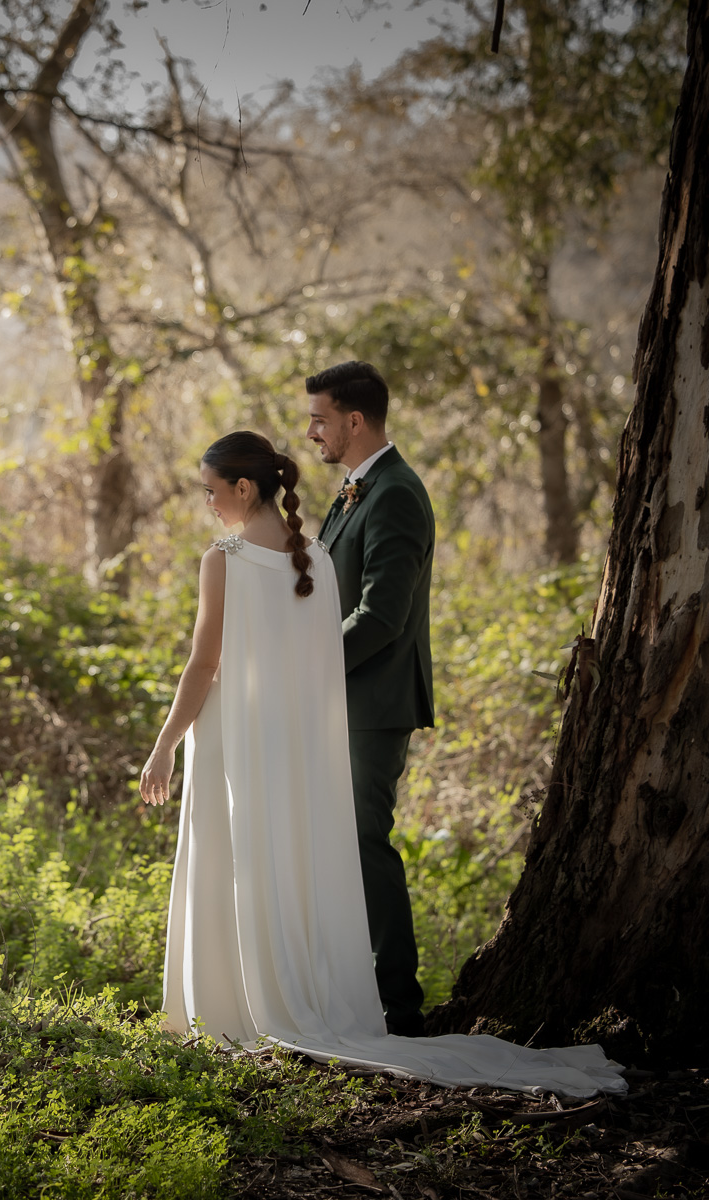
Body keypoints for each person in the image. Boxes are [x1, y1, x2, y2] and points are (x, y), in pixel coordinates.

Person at [141, 428, 623, 1097]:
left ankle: (231, 1011)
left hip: (233, 735)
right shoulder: (315, 557)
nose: (209, 504)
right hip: (290, 740)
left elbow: (204, 664)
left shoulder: (223, 558)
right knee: (279, 865)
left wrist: (164, 744)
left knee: (238, 862)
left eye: (212, 492)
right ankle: (276, 997)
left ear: (243, 488)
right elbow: (318, 672)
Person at [304, 359, 434, 1037]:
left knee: (363, 844)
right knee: (339, 846)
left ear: (355, 420)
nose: (311, 432)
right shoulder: (356, 489)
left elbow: (382, 616)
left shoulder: (396, 494)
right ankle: (353, 993)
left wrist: (308, 667)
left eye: (320, 419)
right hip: (341, 701)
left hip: (374, 704)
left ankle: (399, 1008)